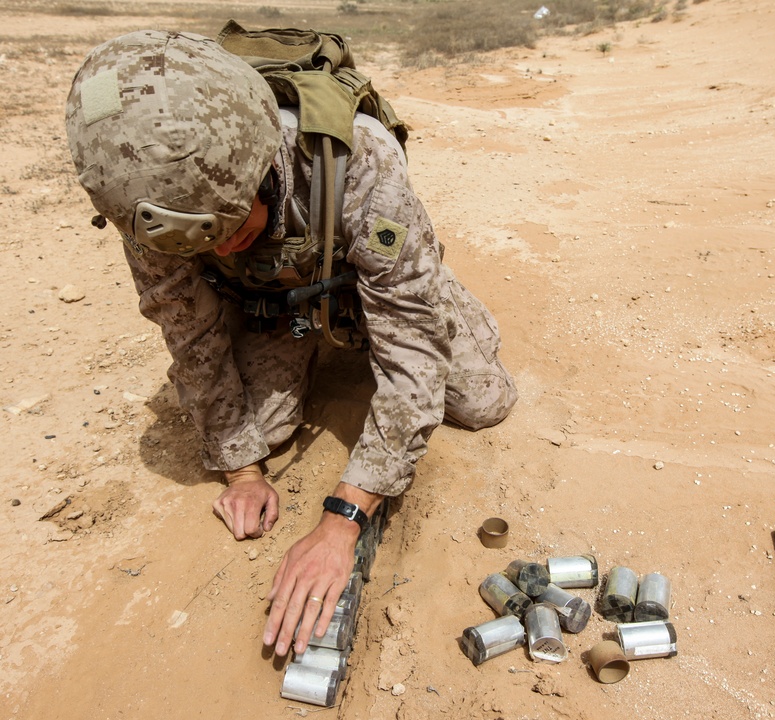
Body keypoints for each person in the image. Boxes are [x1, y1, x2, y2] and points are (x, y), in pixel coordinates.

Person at [64, 29, 517, 658]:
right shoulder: (153, 201)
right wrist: (242, 471)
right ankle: (317, 329)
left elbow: (411, 353)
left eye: (230, 228)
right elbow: (188, 332)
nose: (217, 251)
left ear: (261, 166)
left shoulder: (357, 160)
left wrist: (344, 518)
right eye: (201, 242)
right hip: (280, 303)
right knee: (260, 432)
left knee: (481, 401)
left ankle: (414, 280)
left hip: (363, 277)